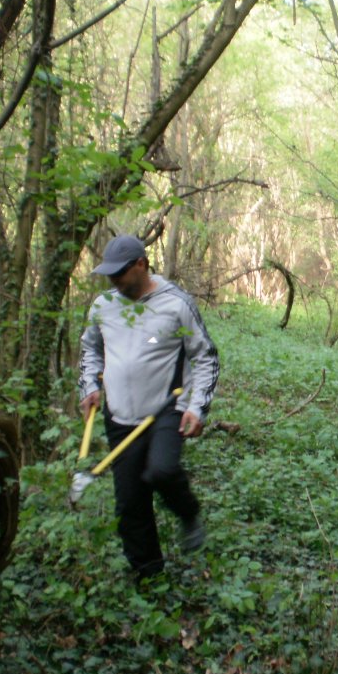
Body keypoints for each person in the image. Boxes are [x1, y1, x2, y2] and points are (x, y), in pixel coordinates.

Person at [78, 235, 220, 579]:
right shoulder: (102, 306)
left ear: (141, 264)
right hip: (119, 416)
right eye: (108, 275)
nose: (113, 281)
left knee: (161, 470)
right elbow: (89, 349)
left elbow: (205, 356)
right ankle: (148, 576)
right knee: (130, 504)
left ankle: (188, 515)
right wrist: (90, 386)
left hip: (165, 410)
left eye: (119, 274)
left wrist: (197, 407)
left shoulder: (176, 305)